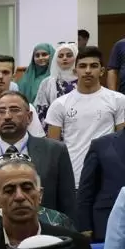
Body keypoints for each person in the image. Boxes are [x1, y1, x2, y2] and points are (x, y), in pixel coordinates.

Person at [0, 92, 75, 221]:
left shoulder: (55, 151)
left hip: (43, 231)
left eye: (14, 110)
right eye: (1, 111)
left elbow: (68, 205)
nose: (7, 116)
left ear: (29, 117)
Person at [48, 46, 125, 186]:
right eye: (83, 66)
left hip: (108, 178)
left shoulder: (118, 100)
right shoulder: (59, 104)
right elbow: (53, 149)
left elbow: (122, 142)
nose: (88, 71)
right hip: (73, 177)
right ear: (75, 71)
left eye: (93, 66)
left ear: (102, 71)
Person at [34, 42, 78, 125]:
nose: (64, 58)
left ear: (76, 57)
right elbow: (42, 110)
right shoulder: (47, 83)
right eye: (60, 56)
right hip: (54, 126)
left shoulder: (82, 80)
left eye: (69, 55)